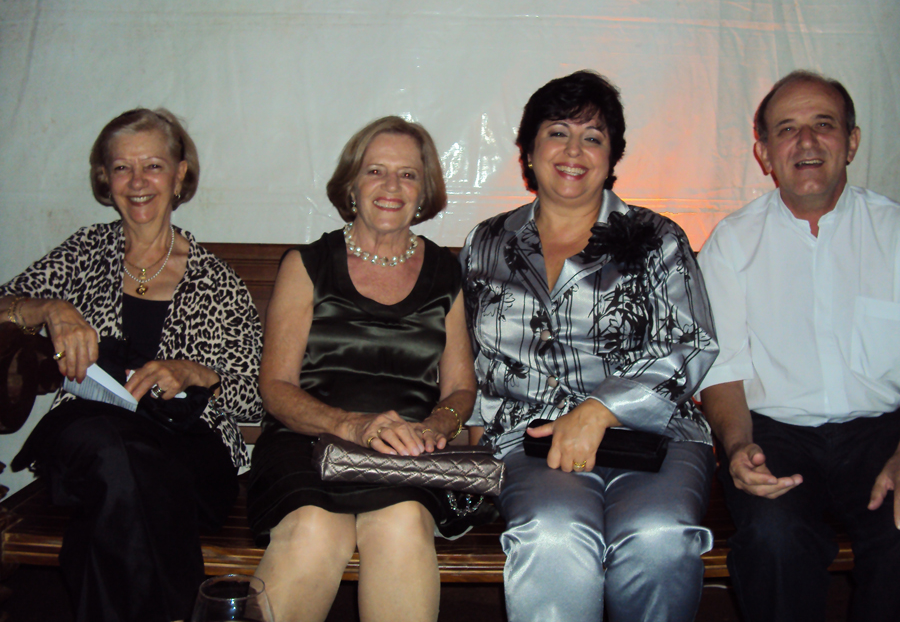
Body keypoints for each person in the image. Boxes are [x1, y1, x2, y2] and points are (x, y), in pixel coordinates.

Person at [460, 70, 719, 622]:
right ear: (529, 150)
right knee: (553, 534)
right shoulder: (487, 242)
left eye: (593, 136)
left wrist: (600, 410)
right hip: (529, 438)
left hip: (654, 436)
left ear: (612, 154)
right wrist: (476, 420)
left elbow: (691, 342)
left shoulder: (658, 237)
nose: (574, 150)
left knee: (658, 536)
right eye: (558, 132)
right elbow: (472, 348)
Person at [0, 108, 263, 622]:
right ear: (105, 178)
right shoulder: (85, 252)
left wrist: (195, 373)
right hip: (90, 442)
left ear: (180, 174)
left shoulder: (217, 281)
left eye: (154, 166)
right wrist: (52, 310)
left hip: (189, 454)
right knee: (113, 450)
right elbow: (4, 304)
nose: (138, 182)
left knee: (120, 490)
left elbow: (254, 396)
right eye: (122, 168)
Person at [247, 115, 476, 622]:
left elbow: (460, 388)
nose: (392, 187)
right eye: (376, 171)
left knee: (401, 523)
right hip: (306, 442)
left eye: (408, 174)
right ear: (352, 184)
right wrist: (351, 425)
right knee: (313, 527)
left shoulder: (445, 272)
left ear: (425, 190)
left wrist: (436, 427)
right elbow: (276, 388)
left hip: (404, 453)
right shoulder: (306, 265)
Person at [698, 70, 900, 622]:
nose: (806, 143)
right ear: (764, 153)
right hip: (775, 434)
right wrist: (738, 449)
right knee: (775, 539)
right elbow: (722, 369)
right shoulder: (731, 244)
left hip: (886, 433)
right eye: (787, 129)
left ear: (852, 141)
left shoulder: (895, 232)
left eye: (824, 125)